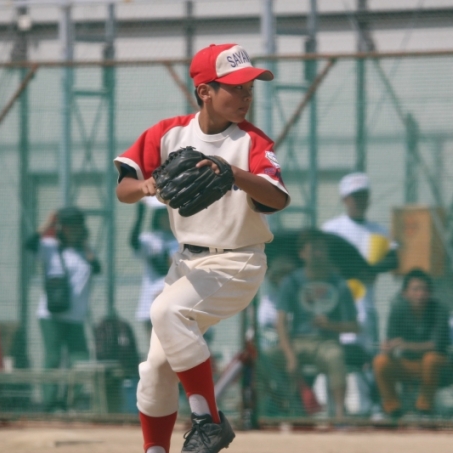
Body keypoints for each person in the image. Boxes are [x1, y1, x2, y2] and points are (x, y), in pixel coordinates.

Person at [114, 43, 289, 453]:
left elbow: (278, 198)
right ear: (205, 91)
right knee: (155, 369)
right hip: (187, 264)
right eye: (236, 87)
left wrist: (233, 173)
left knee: (165, 310)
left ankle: (208, 422)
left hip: (238, 260)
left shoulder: (251, 141)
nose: (246, 95)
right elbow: (124, 188)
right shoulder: (169, 133)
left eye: (249, 87)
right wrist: (145, 186)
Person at [274, 229, 359, 420]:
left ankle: (339, 414)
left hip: (327, 343)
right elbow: (281, 323)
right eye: (313, 249)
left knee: (336, 357)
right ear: (302, 253)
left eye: (322, 249)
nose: (319, 253)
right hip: (297, 342)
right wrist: (290, 356)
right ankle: (276, 408)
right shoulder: (292, 282)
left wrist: (331, 325)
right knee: (264, 358)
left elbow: (355, 326)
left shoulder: (339, 283)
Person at [25, 206, 101, 411]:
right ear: (61, 228)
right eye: (68, 226)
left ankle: (73, 400)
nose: (73, 230)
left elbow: (97, 267)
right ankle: (49, 403)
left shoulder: (85, 252)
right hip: (51, 315)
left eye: (77, 226)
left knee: (80, 358)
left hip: (75, 317)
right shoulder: (50, 247)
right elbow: (29, 244)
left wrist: (84, 242)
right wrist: (48, 224)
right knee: (53, 357)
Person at [321, 172, 398, 364]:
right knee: (336, 353)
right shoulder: (331, 229)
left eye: (363, 196)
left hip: (366, 301)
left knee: (365, 355)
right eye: (355, 197)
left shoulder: (379, 230)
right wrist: (353, 272)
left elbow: (394, 259)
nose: (359, 201)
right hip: (336, 302)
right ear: (345, 199)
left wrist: (371, 271)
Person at [373, 269, 450, 417]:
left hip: (438, 367)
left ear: (430, 292)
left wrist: (407, 345)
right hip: (407, 364)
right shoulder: (397, 310)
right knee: (380, 362)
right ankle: (393, 409)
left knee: (431, 359)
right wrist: (388, 348)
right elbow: (391, 340)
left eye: (424, 290)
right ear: (405, 293)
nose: (420, 294)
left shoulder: (440, 310)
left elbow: (438, 345)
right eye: (415, 290)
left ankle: (424, 409)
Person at [130, 197, 178, 356]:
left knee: (173, 351)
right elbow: (134, 243)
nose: (166, 218)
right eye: (162, 214)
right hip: (150, 301)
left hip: (173, 303)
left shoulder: (180, 240)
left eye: (168, 214)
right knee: (156, 352)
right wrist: (140, 214)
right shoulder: (150, 238)